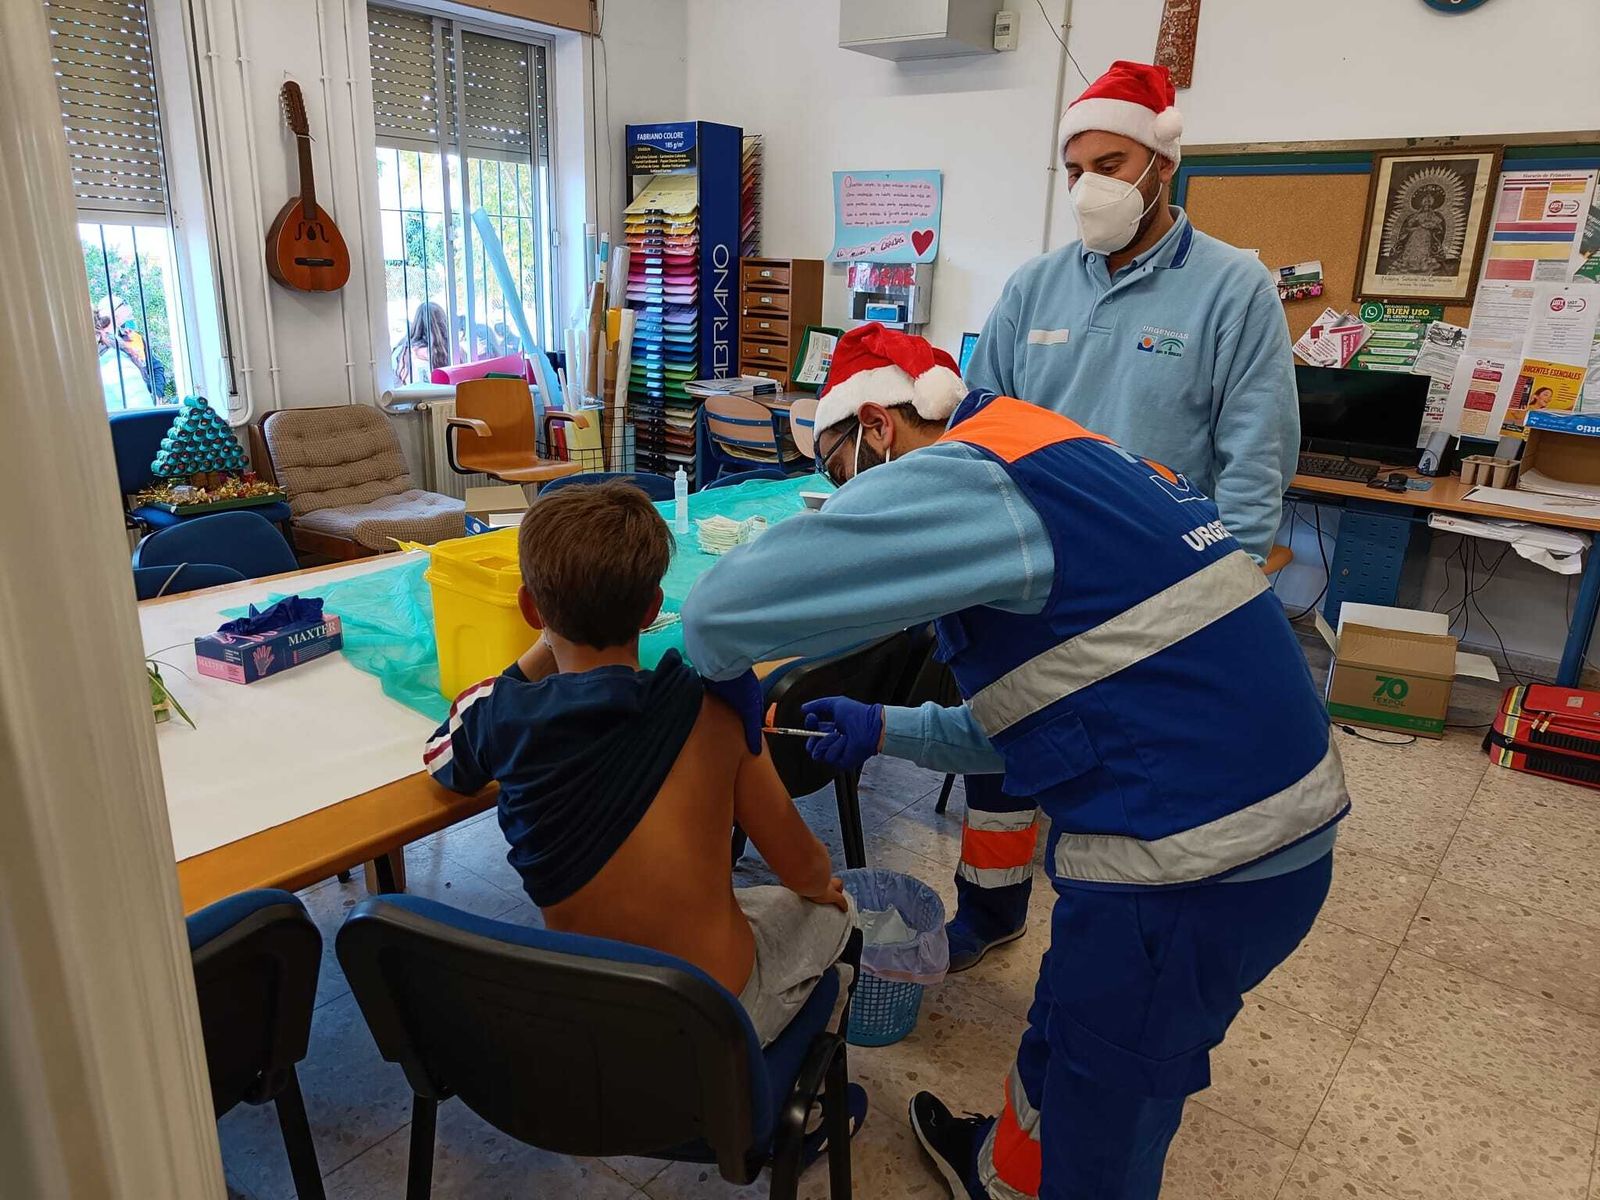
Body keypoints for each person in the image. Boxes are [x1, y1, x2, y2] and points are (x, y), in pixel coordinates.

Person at [680, 323, 1346, 1200]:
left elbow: (715, 617)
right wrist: (885, 728)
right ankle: (1002, 1174)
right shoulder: (1049, 448)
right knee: (1072, 1027)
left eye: (836, 473)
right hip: (1244, 822)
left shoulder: (968, 478)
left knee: (1106, 1111)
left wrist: (730, 668)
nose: (840, 496)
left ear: (876, 426)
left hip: (1193, 865)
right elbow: (1055, 712)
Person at [953, 60, 1302, 972]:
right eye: (1075, 171)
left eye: (1111, 164)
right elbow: (977, 426)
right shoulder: (1035, 289)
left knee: (1118, 773)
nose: (1090, 188)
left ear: (1160, 167)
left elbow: (1256, 455)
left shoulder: (1233, 290)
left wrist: (1231, 594)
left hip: (1156, 592)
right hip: (1029, 574)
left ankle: (1105, 935)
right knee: (1007, 744)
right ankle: (989, 908)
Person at [421, 481, 856, 1047]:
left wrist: (546, 642)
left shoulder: (500, 718)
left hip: (593, 1025)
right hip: (711, 1023)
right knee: (836, 914)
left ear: (529, 607)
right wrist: (826, 888)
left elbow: (439, 758)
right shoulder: (715, 711)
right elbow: (804, 871)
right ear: (654, 608)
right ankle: (791, 1097)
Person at [393, 301, 459, 384]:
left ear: (416, 324)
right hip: (451, 395)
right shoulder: (454, 351)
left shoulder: (401, 353)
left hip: (412, 396)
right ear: (443, 324)